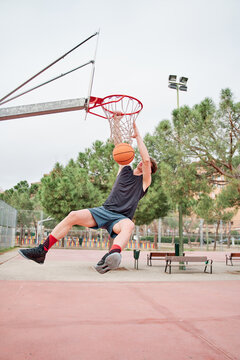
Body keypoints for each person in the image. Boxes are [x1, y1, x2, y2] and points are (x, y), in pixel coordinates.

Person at [19, 122, 157, 273]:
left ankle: (111, 255)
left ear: (149, 170)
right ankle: (41, 251)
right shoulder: (124, 169)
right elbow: (119, 145)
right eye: (143, 162)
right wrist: (116, 122)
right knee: (72, 215)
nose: (142, 163)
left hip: (120, 218)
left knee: (129, 226)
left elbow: (145, 160)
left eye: (148, 166)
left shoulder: (144, 182)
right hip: (104, 211)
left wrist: (138, 136)